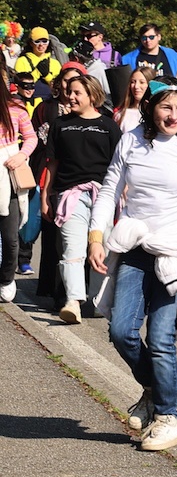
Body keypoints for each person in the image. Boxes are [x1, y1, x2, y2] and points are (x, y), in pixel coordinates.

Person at [87, 78, 177, 453]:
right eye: (166, 107)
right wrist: (96, 237)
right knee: (122, 331)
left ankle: (169, 417)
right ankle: (152, 390)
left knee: (162, 337)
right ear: (150, 108)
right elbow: (110, 190)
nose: (173, 116)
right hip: (136, 246)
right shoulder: (131, 140)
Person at [41, 70, 119, 322]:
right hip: (69, 195)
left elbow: (119, 165)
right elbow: (52, 164)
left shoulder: (109, 125)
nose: (71, 97)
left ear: (92, 95)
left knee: (102, 248)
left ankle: (98, 301)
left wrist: (124, 196)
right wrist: (46, 196)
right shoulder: (59, 125)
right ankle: (73, 301)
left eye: (77, 93)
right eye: (69, 92)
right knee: (72, 248)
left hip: (103, 196)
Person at [0, 82, 35, 303]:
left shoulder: (15, 108)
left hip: (9, 177)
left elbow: (31, 137)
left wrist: (21, 155)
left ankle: (6, 279)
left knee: (10, 237)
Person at [115, 67, 151, 132]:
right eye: (133, 82)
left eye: (142, 82)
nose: (136, 86)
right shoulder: (120, 115)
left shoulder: (156, 114)